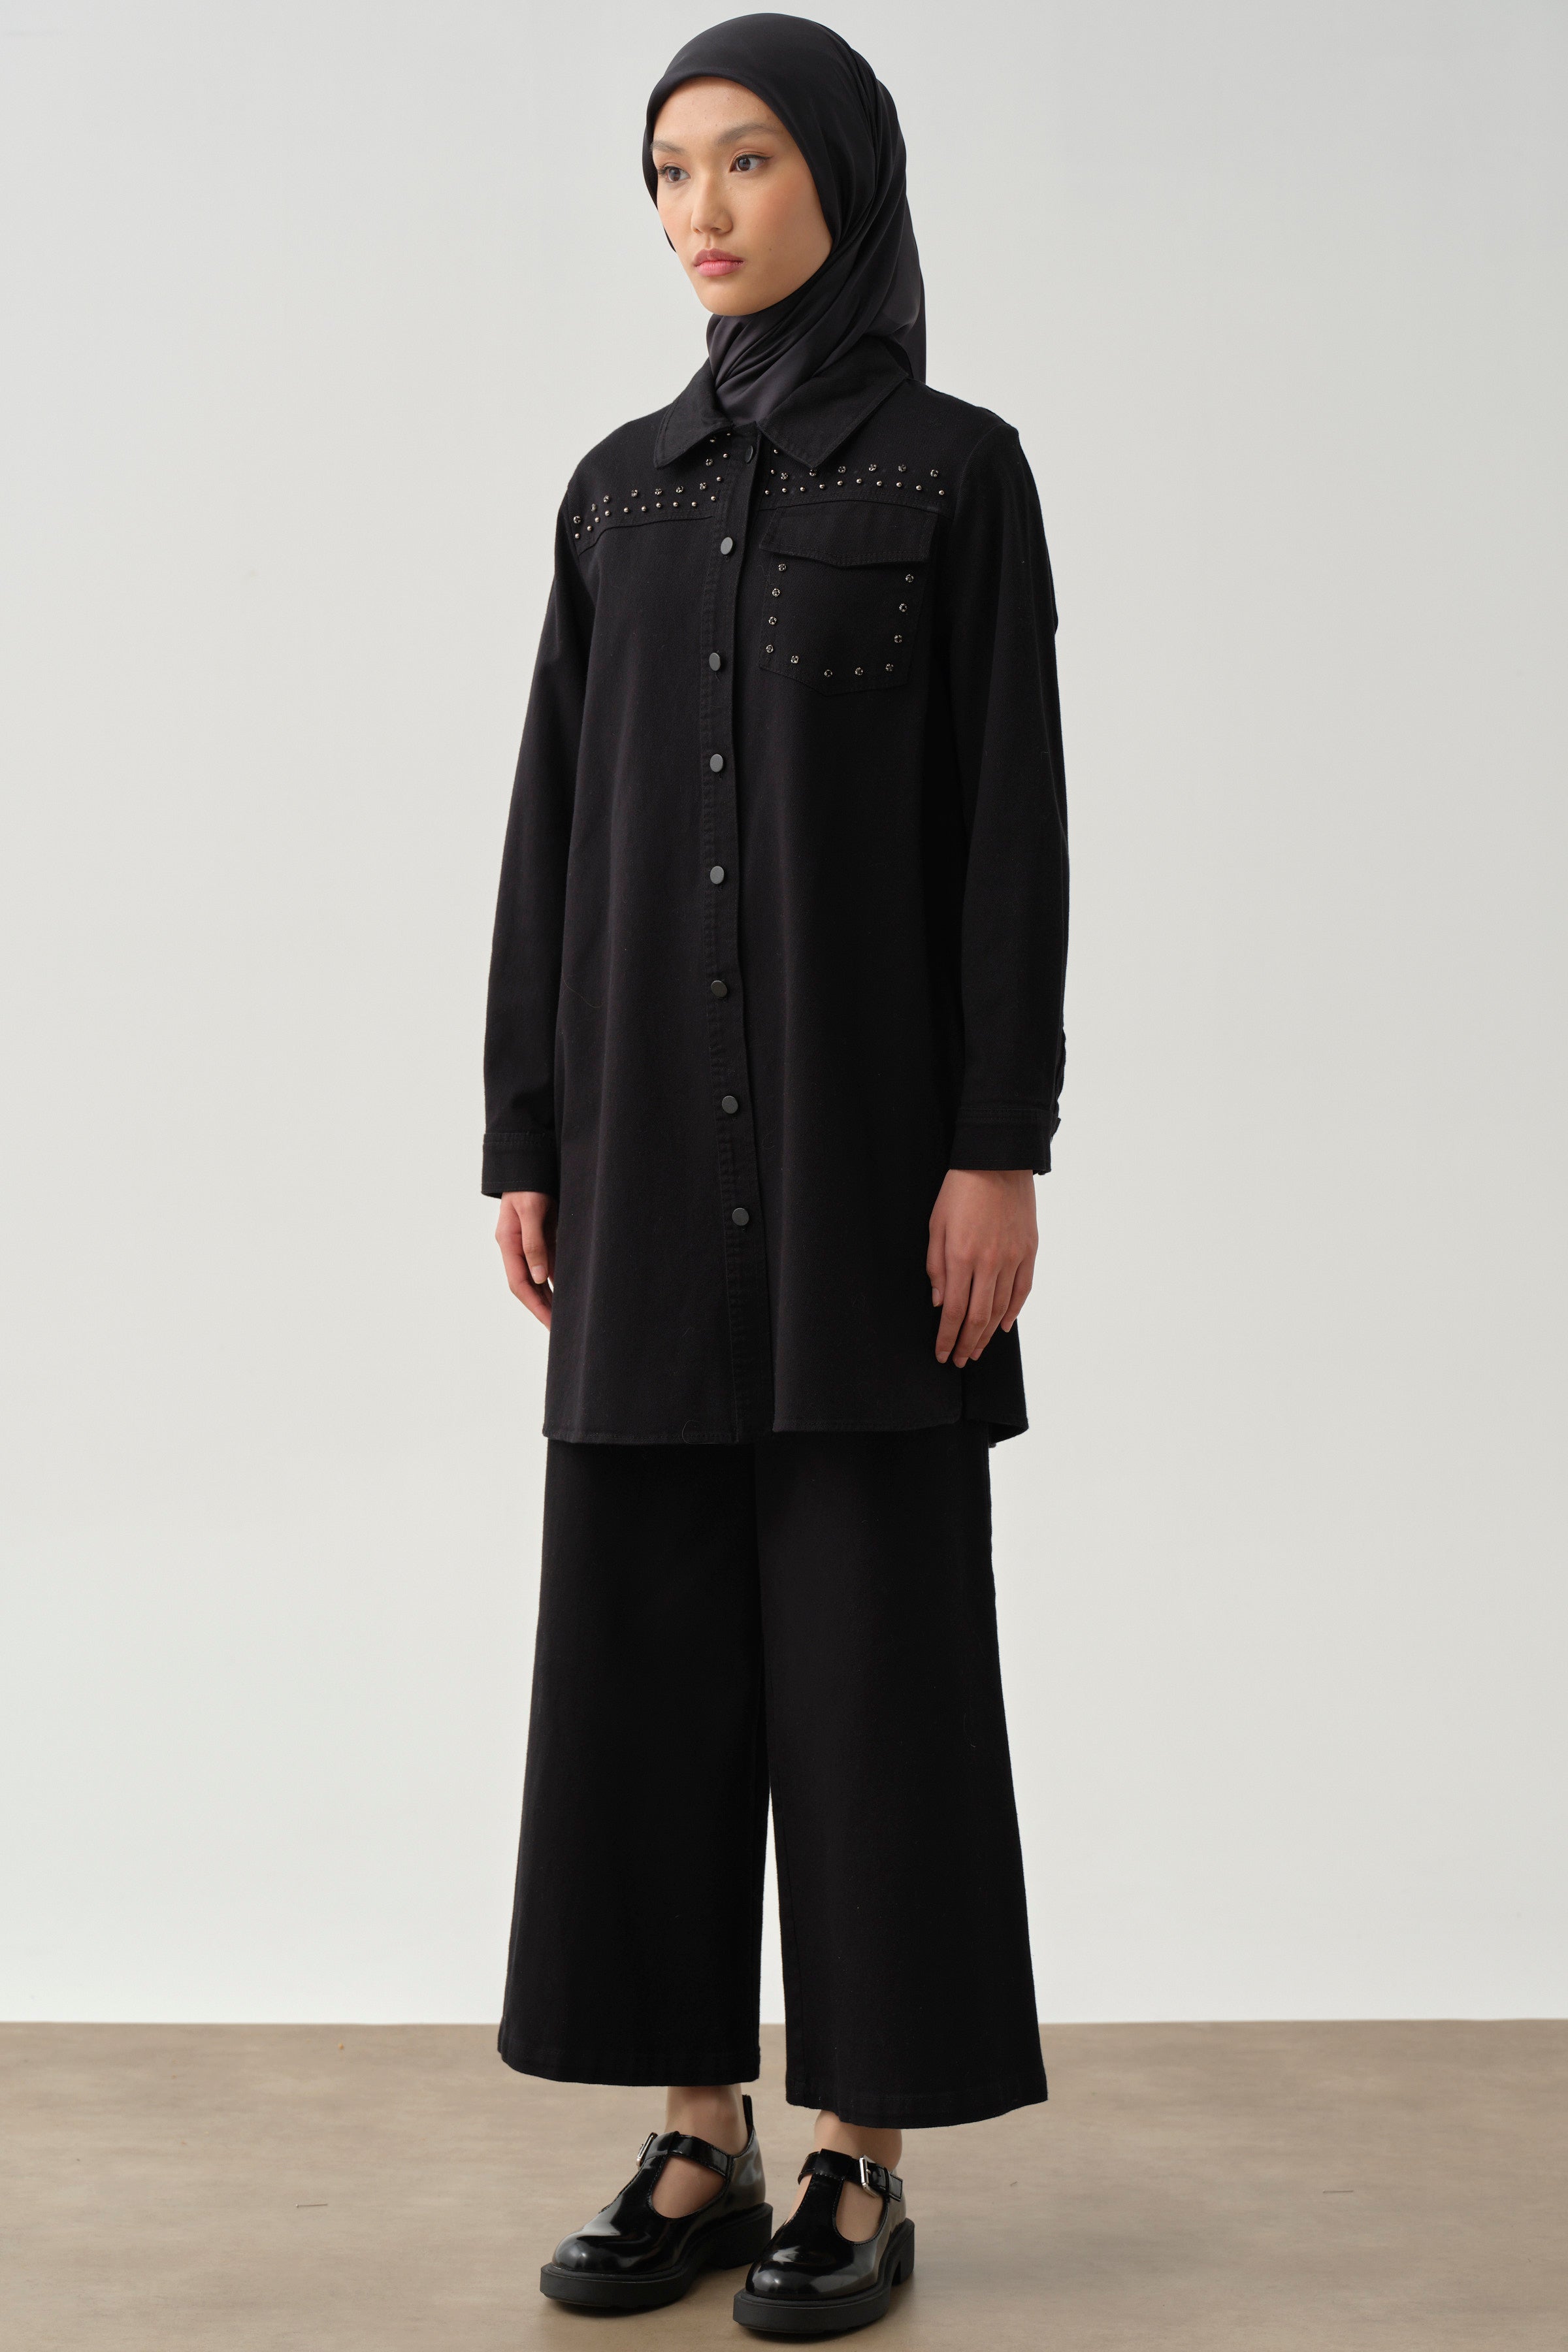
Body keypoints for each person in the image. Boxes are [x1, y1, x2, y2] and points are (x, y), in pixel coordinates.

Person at [482, 14, 1068, 2334]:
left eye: (742, 160)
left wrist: (998, 1148)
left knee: (870, 1673)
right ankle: (694, 2139)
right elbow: (554, 826)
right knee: (643, 1666)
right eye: (666, 171)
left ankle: (860, 2165)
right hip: (640, 1174)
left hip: (866, 1190)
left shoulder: (955, 476)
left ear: (841, 174)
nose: (699, 211)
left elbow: (1006, 838)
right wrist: (525, 1130)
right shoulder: (617, 496)